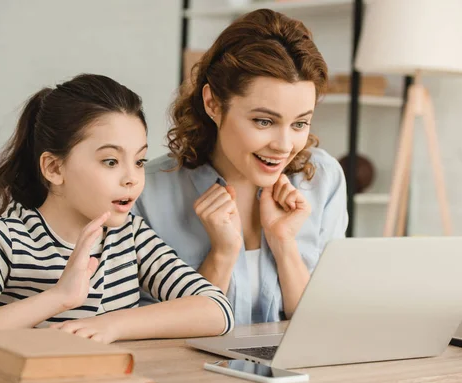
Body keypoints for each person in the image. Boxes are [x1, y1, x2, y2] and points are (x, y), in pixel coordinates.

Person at [0, 74, 234, 352]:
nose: (132, 178)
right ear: (54, 167)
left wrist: (113, 326)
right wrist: (58, 297)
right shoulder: (4, 240)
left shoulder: (131, 236)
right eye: (110, 161)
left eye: (138, 161)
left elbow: (217, 310)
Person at [133, 9, 348, 324]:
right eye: (264, 121)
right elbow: (146, 334)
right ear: (213, 104)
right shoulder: (146, 192)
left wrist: (284, 243)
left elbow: (324, 329)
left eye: (300, 123)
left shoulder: (323, 180)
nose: (284, 145)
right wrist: (221, 254)